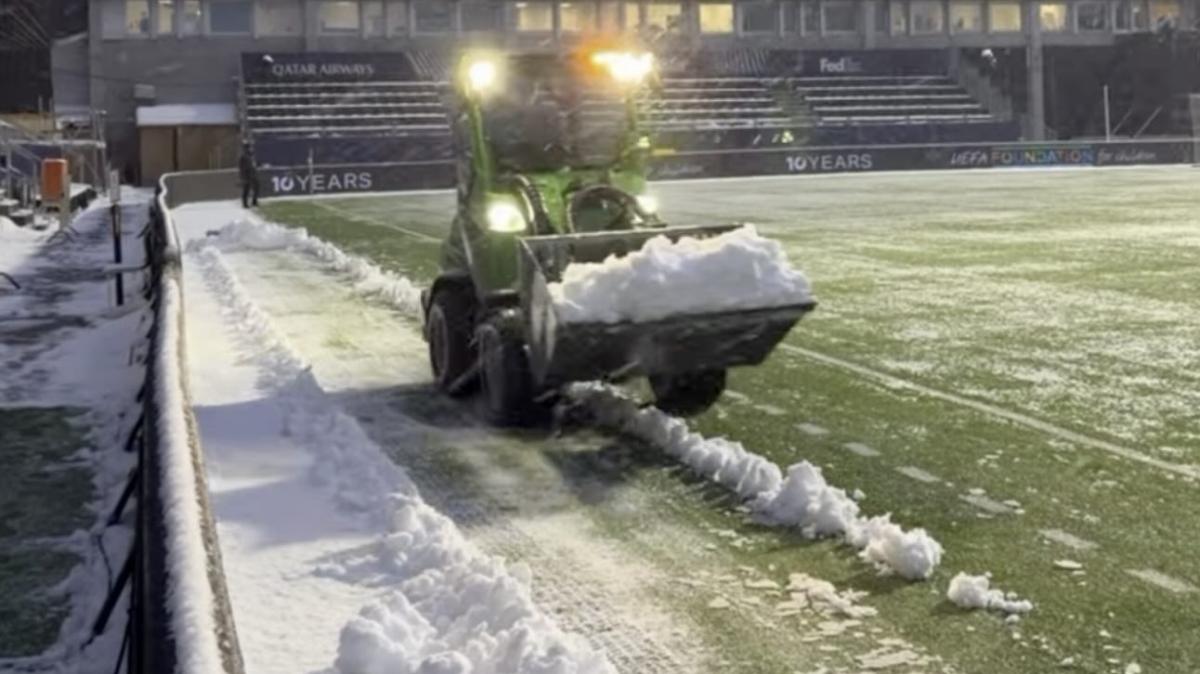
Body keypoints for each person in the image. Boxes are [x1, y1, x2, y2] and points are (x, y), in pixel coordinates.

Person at [238, 141, 260, 208]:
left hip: (253, 174)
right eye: (249, 147)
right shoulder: (243, 156)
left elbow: (254, 164)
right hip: (247, 175)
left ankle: (254, 201)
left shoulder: (251, 155)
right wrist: (243, 176)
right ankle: (245, 203)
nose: (251, 148)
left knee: (257, 187)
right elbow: (241, 167)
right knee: (246, 189)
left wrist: (257, 166)